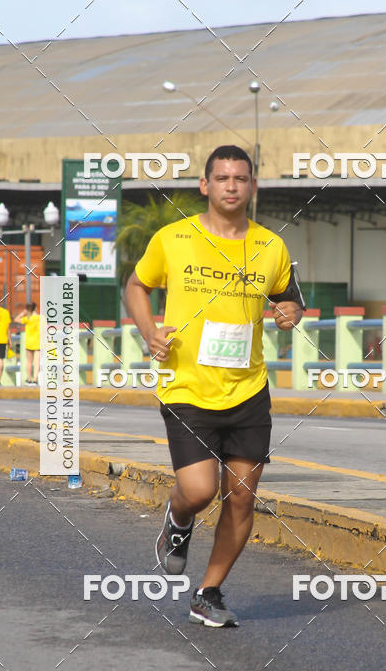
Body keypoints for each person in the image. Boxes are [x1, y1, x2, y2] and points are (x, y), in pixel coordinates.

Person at [125, 145, 305, 628]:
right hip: (187, 387)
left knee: (241, 497)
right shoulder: (174, 239)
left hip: (248, 390)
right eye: (222, 178)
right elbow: (136, 286)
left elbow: (290, 299)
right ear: (205, 185)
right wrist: (149, 331)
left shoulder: (271, 246)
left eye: (240, 178)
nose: (231, 186)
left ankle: (208, 593)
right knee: (200, 490)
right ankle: (179, 517)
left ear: (252, 187)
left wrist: (291, 313)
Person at [14, 302, 41, 384]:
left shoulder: (27, 318)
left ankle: (29, 379)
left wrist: (23, 313)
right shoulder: (41, 318)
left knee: (29, 362)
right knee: (37, 363)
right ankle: (35, 380)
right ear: (35, 308)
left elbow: (16, 319)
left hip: (29, 343)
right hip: (38, 343)